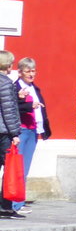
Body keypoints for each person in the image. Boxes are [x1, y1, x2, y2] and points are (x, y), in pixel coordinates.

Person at [11, 56, 50, 214]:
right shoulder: (15, 88)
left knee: (25, 168)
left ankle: (19, 202)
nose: (31, 74)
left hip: (33, 130)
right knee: (17, 168)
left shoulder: (34, 88)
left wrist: (44, 128)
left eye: (33, 70)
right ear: (20, 72)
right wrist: (29, 104)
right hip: (21, 130)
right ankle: (12, 204)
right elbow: (13, 107)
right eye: (28, 71)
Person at [0, 51, 28, 218]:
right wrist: (15, 133)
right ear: (8, 66)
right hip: (3, 133)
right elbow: (8, 111)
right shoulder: (6, 83)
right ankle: (5, 206)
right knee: (8, 168)